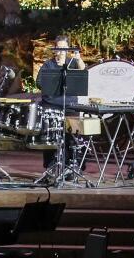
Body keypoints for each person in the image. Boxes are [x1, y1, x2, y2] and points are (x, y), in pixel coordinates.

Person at [37, 34, 85, 173]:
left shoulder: (73, 62)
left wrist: (78, 58)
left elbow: (83, 73)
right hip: (51, 105)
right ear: (54, 48)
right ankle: (51, 165)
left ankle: (73, 164)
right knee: (50, 135)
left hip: (70, 105)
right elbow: (39, 83)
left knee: (72, 136)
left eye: (64, 48)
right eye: (58, 48)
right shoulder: (48, 64)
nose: (61, 50)